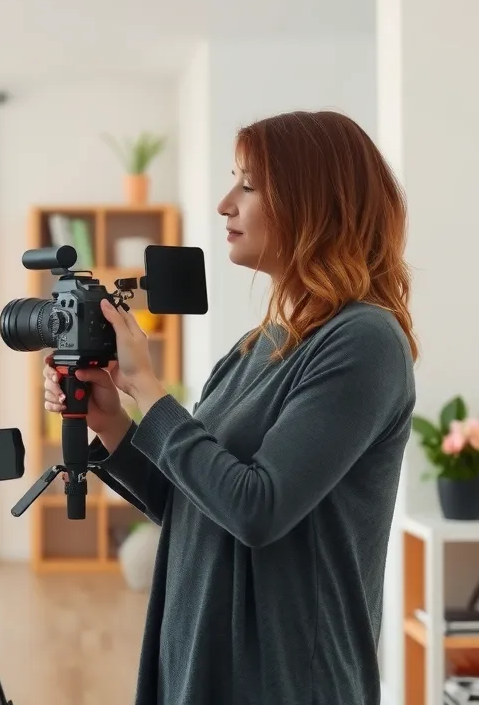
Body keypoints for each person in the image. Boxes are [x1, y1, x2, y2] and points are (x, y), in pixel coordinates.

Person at [44, 110, 417, 705]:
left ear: (312, 202)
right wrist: (113, 422)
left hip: (285, 675)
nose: (224, 204)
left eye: (248, 184)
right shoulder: (258, 345)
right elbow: (192, 507)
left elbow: (258, 509)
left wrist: (154, 392)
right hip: (198, 654)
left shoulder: (363, 342)